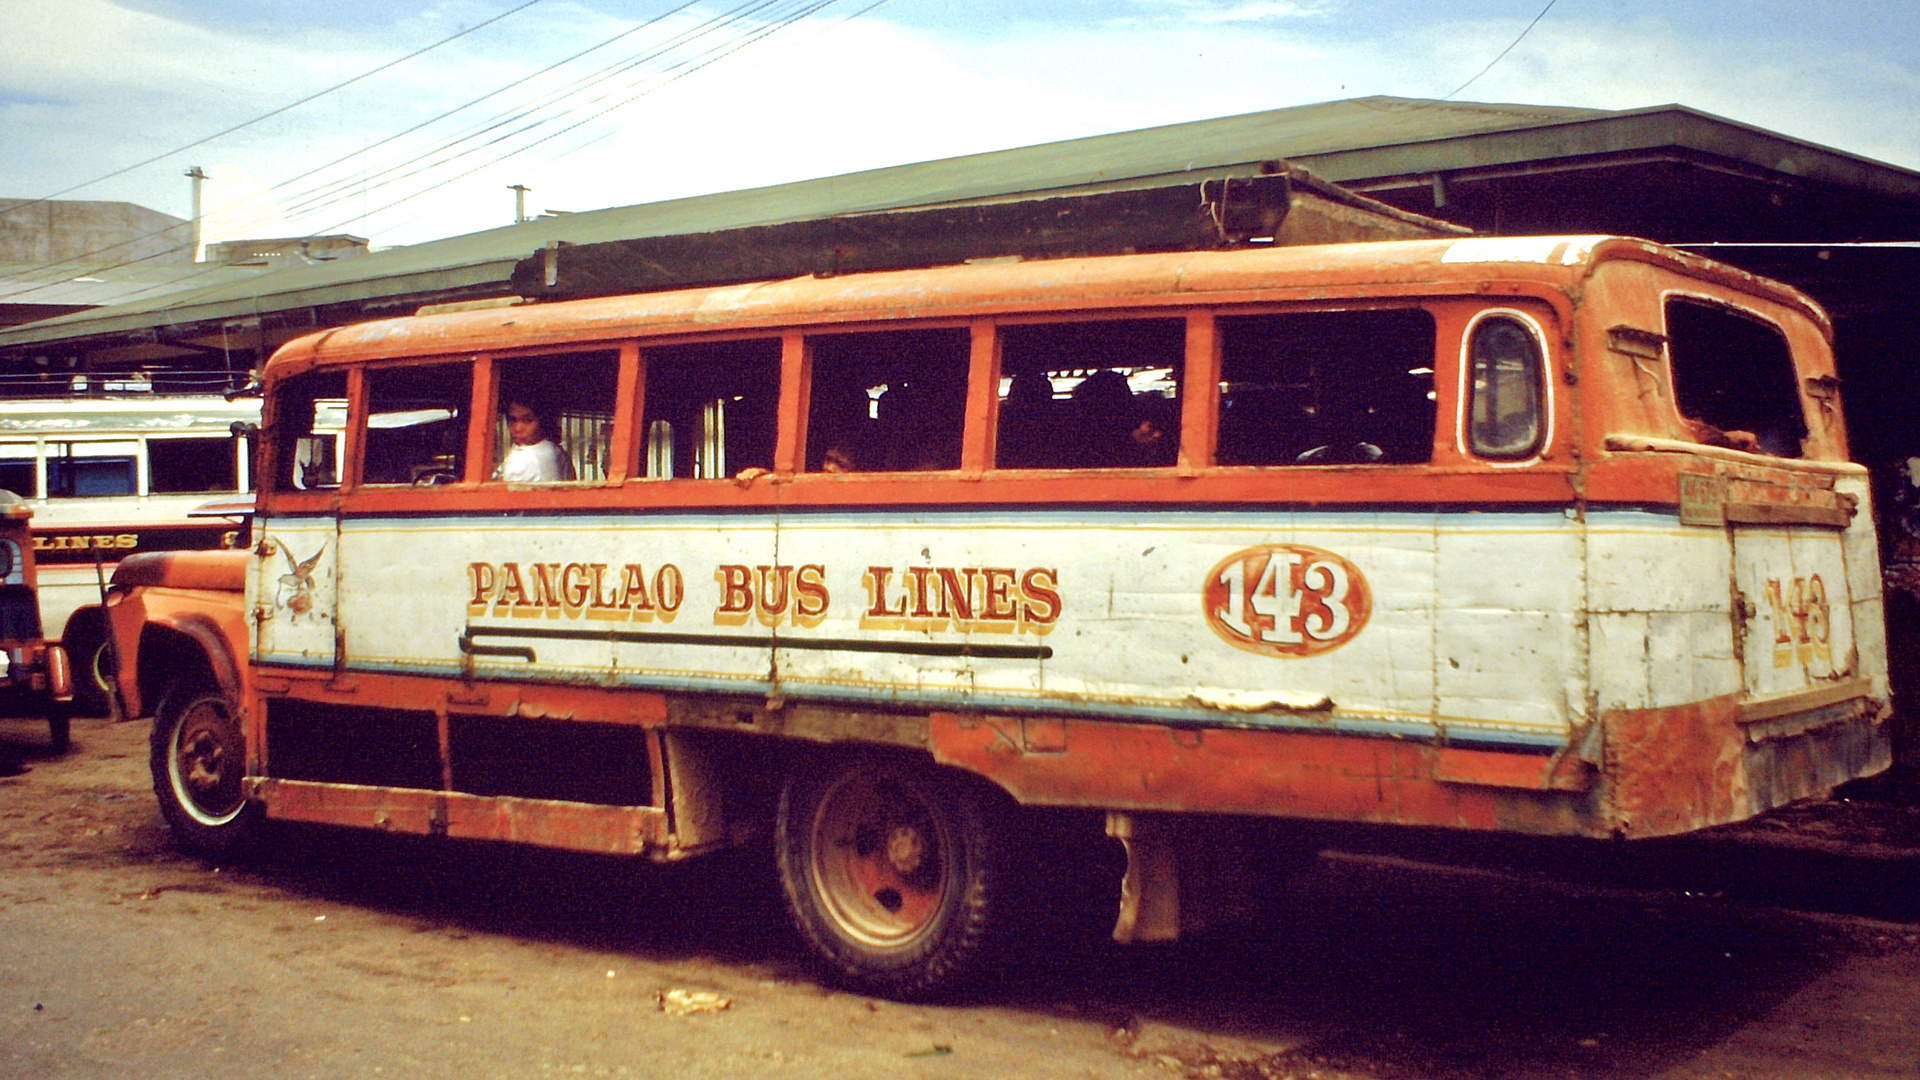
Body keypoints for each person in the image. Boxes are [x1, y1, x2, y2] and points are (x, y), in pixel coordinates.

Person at [498, 398, 572, 482]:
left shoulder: (524, 458)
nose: (518, 428)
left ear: (544, 421)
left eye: (527, 420)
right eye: (513, 420)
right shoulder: (559, 453)